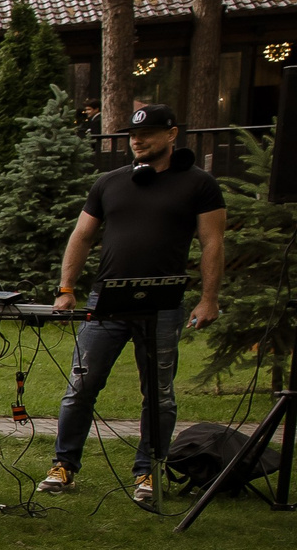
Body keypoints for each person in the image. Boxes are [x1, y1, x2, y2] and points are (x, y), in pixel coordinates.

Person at [41, 102, 226, 504]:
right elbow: (82, 235)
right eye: (133, 135)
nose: (138, 140)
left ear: (172, 134)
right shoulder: (110, 182)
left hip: (163, 303)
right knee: (81, 385)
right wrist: (66, 287)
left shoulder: (199, 184)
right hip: (107, 300)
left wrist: (209, 298)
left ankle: (148, 472)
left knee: (158, 393)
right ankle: (64, 465)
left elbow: (212, 241)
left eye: (148, 133)